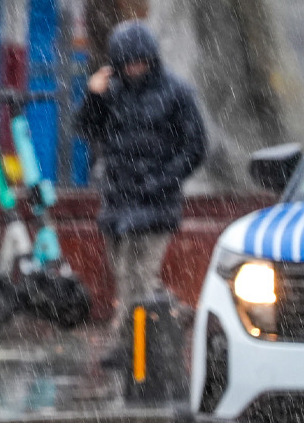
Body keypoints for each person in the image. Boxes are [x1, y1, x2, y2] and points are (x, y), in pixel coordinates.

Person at [75, 21, 207, 362]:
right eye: (128, 63)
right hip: (118, 198)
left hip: (156, 200)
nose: (134, 69)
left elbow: (195, 147)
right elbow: (87, 129)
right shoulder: (112, 90)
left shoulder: (177, 93)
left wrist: (162, 181)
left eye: (141, 62)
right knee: (125, 274)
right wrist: (94, 96)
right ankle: (173, 312)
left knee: (138, 275)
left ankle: (128, 346)